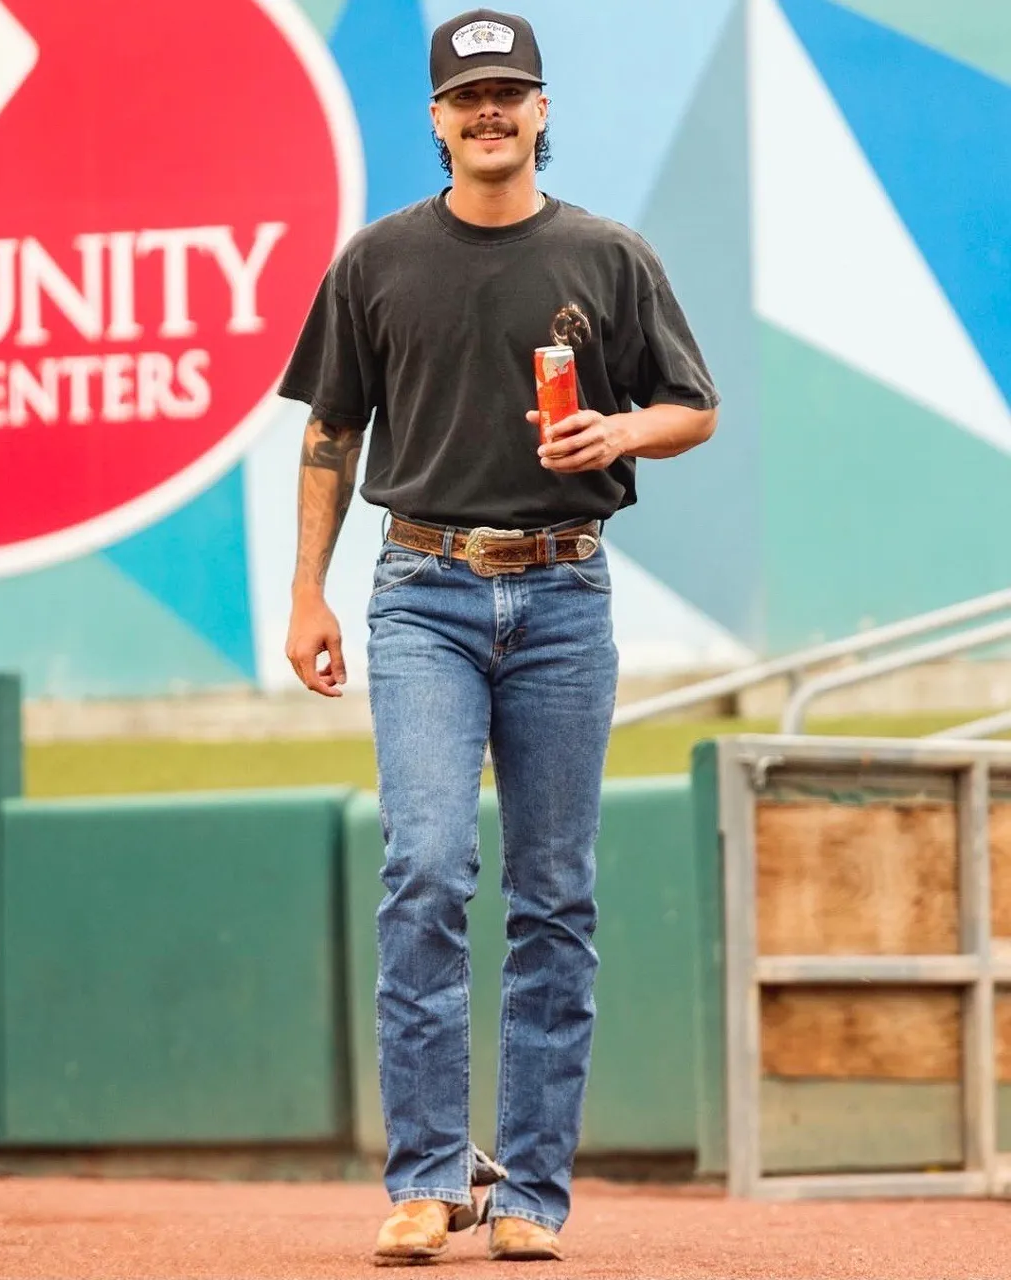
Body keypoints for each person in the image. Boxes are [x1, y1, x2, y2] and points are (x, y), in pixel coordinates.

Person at [280, 7, 719, 1265]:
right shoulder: (374, 261)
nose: (489, 113)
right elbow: (329, 434)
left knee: (554, 897)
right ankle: (425, 1179)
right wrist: (307, 592)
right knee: (423, 868)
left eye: (510, 94)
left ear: (540, 110)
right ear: (434, 117)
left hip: (566, 594)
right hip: (419, 587)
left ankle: (529, 1195)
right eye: (467, 97)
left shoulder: (607, 256)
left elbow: (693, 406)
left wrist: (619, 433)